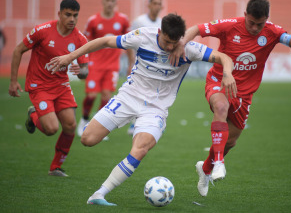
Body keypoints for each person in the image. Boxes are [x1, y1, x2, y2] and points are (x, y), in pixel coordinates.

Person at [48, 13, 237, 206]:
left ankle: (99, 194)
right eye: (166, 41)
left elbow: (223, 57)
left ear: (181, 38)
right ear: (159, 32)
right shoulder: (143, 36)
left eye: (174, 42)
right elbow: (105, 41)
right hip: (128, 98)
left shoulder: (189, 49)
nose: (170, 47)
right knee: (88, 139)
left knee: (141, 148)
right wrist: (70, 57)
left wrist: (228, 73)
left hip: (155, 109)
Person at [169, 0, 291, 196]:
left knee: (230, 142)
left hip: (245, 93)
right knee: (221, 108)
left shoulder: (272, 31)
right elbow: (198, 29)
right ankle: (219, 163)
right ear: (245, 16)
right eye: (251, 23)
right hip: (219, 80)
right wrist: (182, 42)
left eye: (259, 24)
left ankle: (206, 168)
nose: (254, 28)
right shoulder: (230, 25)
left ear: (267, 19)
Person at [8, 0, 89, 177]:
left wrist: (80, 71)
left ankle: (55, 168)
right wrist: (14, 81)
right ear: (59, 14)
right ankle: (33, 115)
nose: (72, 19)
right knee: (51, 129)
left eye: (75, 16)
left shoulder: (80, 39)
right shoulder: (42, 31)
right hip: (39, 86)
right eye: (68, 15)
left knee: (70, 125)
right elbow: (17, 50)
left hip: (61, 86)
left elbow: (84, 72)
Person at [77, 0, 135, 139]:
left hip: (112, 65)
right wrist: (82, 63)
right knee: (90, 96)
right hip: (94, 64)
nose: (109, 3)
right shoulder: (93, 20)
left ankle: (97, 127)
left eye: (112, 1)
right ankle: (84, 119)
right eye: (107, 0)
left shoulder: (122, 20)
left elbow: (128, 43)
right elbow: (85, 42)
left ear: (115, 2)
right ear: (103, 1)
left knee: (106, 96)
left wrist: (131, 63)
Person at [126, 0, 163, 135]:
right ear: (149, 5)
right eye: (154, 3)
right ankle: (133, 121)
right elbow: (129, 41)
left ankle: (142, 122)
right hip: (139, 63)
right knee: (136, 92)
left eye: (159, 4)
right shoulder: (139, 21)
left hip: (156, 65)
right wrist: (130, 62)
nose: (157, 6)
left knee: (153, 94)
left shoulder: (162, 22)